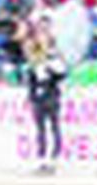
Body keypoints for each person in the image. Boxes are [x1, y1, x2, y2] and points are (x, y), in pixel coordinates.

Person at [23, 17, 68, 173]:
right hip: (39, 95)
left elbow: (62, 74)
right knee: (40, 129)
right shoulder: (34, 53)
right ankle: (41, 159)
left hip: (52, 94)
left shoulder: (55, 53)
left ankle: (55, 159)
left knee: (54, 127)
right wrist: (31, 94)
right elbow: (31, 75)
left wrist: (51, 67)